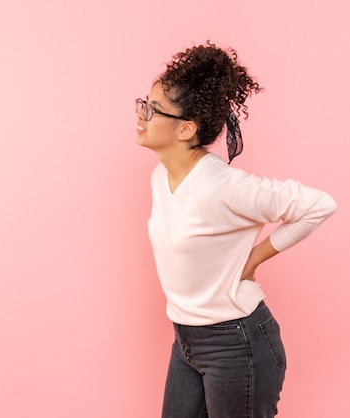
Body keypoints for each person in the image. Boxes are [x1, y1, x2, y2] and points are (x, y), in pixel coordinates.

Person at [135, 41, 337, 418]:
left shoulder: (223, 186)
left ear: (186, 129)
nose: (141, 114)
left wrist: (256, 256)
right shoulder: (160, 177)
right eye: (142, 104)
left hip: (236, 344)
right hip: (186, 341)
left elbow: (318, 204)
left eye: (152, 109)